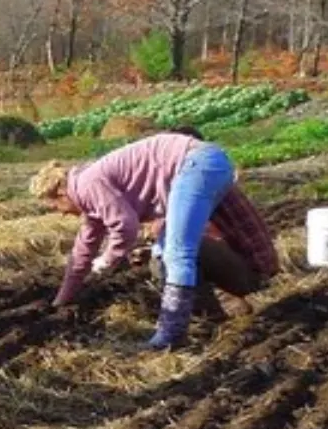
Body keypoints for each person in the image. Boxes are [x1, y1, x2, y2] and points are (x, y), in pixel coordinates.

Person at [32, 130, 280, 349]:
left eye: (55, 206)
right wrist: (61, 300)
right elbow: (82, 252)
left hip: (196, 163)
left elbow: (125, 226)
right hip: (204, 164)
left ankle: (171, 335)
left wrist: (108, 259)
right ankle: (208, 321)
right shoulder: (88, 196)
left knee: (175, 252)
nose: (62, 213)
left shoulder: (87, 184)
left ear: (61, 192)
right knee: (163, 255)